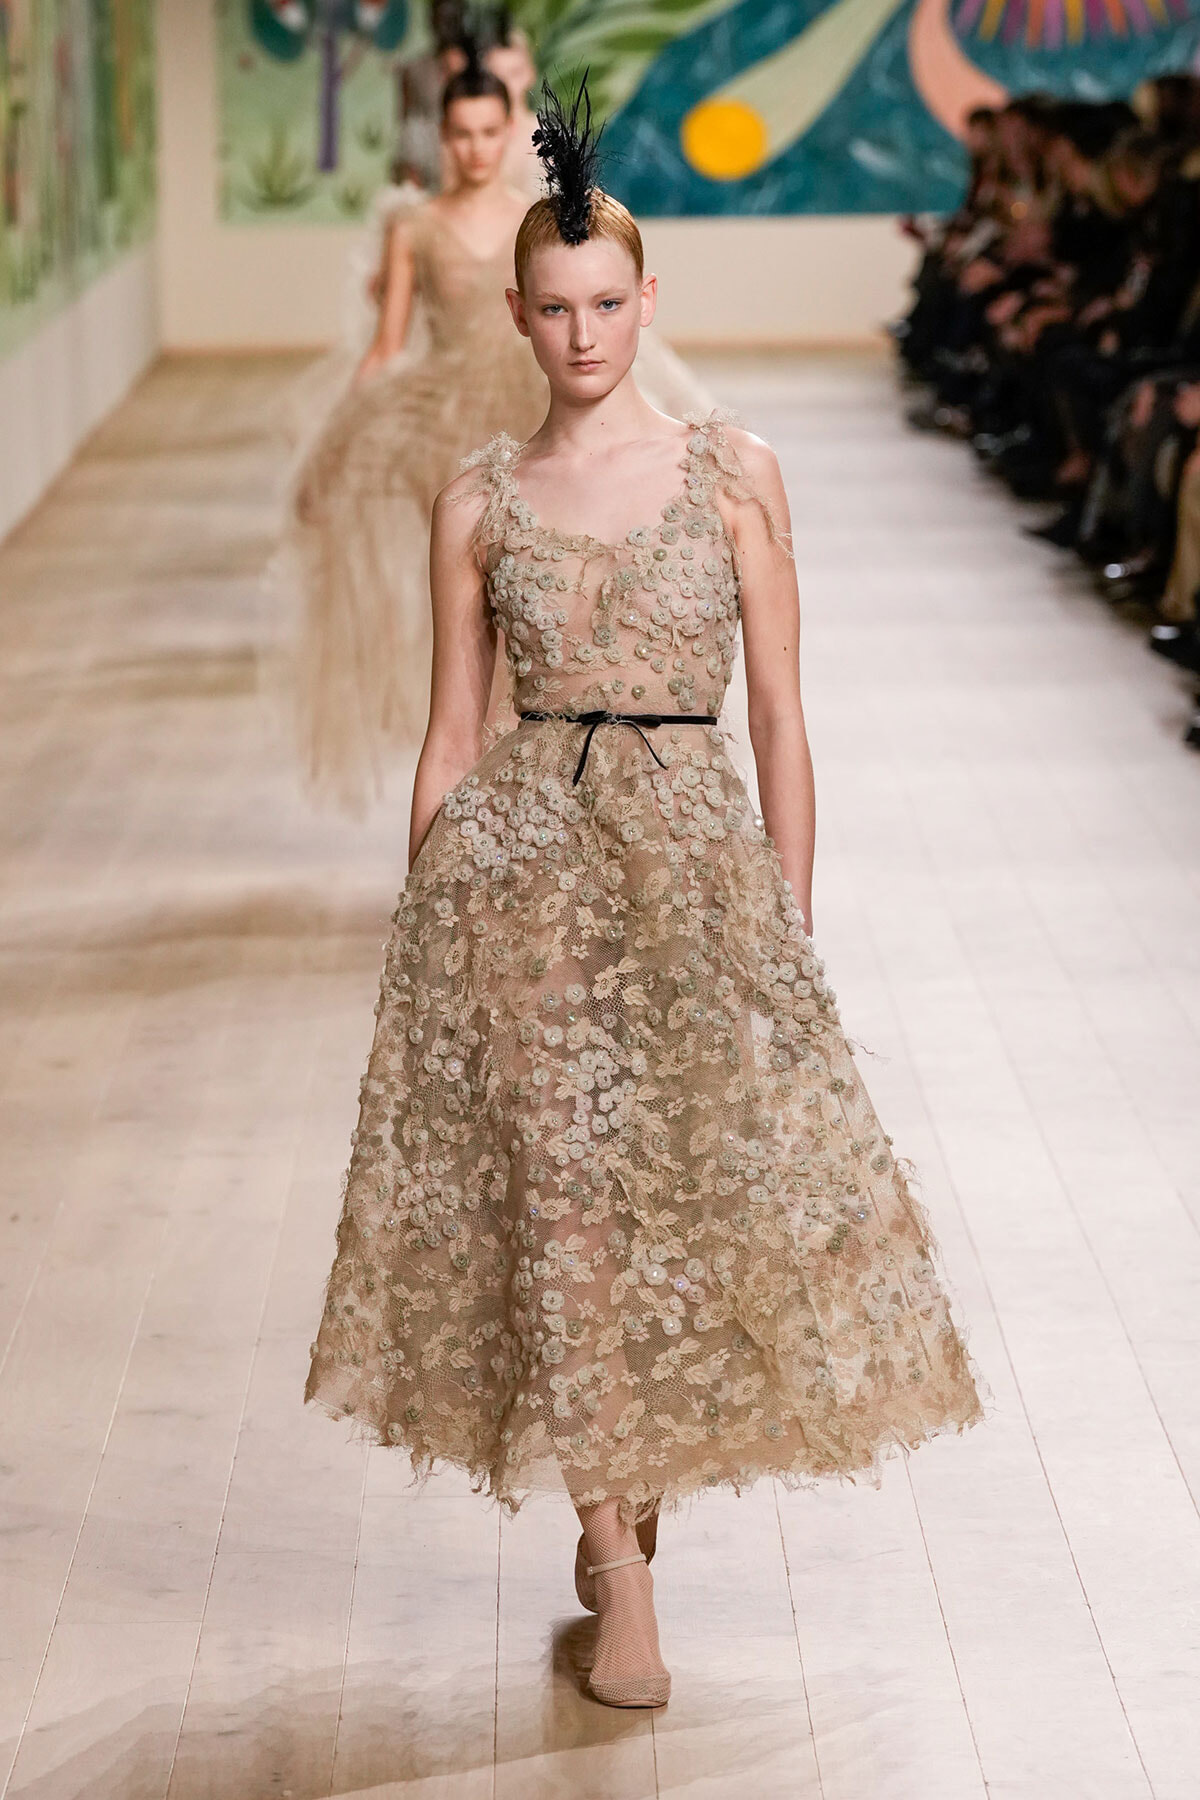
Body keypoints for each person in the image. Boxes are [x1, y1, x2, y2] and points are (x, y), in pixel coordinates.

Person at [306, 82, 981, 1712]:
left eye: (610, 304)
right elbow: (453, 734)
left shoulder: (735, 473)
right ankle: (620, 1582)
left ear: (647, 303)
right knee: (570, 1210)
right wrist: (426, 942)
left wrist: (791, 920)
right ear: (524, 318)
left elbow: (780, 716)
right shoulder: (475, 497)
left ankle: (630, 1509)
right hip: (525, 874)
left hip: (692, 859)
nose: (585, 332)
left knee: (683, 1204)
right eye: (557, 309)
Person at [284, 65, 548, 813]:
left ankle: (516, 763)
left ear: (508, 134)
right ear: (442, 138)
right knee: (472, 596)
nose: (475, 149)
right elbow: (386, 344)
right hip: (444, 420)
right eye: (461, 134)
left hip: (527, 407)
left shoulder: (539, 216)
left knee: (530, 585)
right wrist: (331, 450)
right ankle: (482, 774)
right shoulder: (415, 227)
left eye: (489, 133)